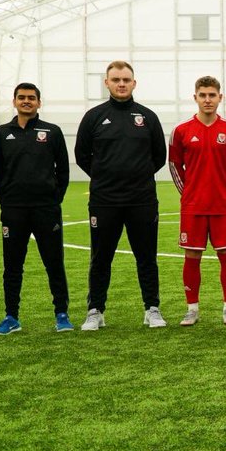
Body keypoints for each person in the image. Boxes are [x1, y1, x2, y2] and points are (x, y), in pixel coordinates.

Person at [75, 61, 166, 330]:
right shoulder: (93, 117)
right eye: (116, 80)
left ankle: (152, 308)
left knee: (146, 257)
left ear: (134, 83)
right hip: (105, 201)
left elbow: (159, 157)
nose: (121, 84)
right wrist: (105, 177)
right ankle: (95, 310)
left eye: (126, 79)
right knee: (100, 258)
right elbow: (82, 156)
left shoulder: (147, 117)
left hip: (142, 200)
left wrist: (137, 176)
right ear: (107, 83)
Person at [0, 82, 72, 335]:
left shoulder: (52, 131)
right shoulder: (2, 133)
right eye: (22, 97)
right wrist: (6, 201)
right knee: (12, 266)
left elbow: (63, 170)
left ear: (39, 102)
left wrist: (54, 199)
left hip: (46, 209)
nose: (26, 101)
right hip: (13, 210)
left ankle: (62, 314)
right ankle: (11, 316)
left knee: (54, 263)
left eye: (31, 98)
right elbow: (0, 171)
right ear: (14, 101)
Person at [169, 76, 226, 326]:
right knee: (192, 255)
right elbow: (174, 165)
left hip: (222, 205)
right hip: (193, 206)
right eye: (203, 95)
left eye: (212, 95)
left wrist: (223, 189)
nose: (208, 100)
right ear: (195, 98)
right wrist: (188, 192)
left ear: (220, 97)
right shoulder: (181, 131)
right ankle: (192, 309)